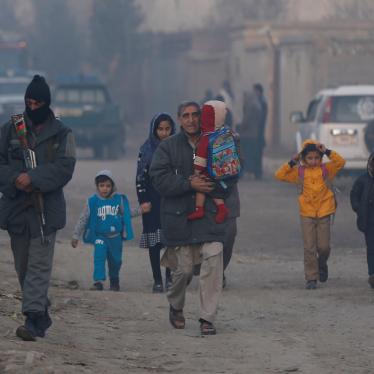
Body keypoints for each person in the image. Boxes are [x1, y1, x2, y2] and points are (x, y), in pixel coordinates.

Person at [0, 75, 76, 341]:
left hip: (46, 210)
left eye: (37, 102)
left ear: (46, 103)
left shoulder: (62, 133)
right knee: (23, 267)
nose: (32, 107)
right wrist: (15, 179)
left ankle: (32, 320)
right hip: (16, 210)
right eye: (28, 102)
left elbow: (65, 168)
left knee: (39, 267)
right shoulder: (11, 129)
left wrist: (34, 178)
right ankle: (40, 312)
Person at [150, 100, 235, 335]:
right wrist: (188, 183)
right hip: (180, 218)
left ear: (201, 117)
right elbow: (158, 178)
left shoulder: (217, 140)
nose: (191, 120)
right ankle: (176, 306)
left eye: (195, 115)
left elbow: (234, 170)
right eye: (185, 115)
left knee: (213, 262)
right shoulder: (168, 147)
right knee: (184, 271)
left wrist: (214, 186)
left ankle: (207, 318)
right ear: (179, 119)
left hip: (209, 216)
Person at [275, 140, 345, 289]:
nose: (313, 161)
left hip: (324, 212)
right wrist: (291, 162)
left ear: (321, 158)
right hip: (306, 213)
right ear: (303, 159)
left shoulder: (327, 169)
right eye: (310, 158)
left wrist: (327, 151)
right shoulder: (299, 172)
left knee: (324, 247)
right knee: (309, 247)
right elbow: (279, 175)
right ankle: (311, 278)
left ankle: (322, 263)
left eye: (316, 158)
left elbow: (341, 162)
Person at [71, 170, 148, 291]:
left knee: (115, 261)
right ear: (97, 187)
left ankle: (114, 280)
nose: (105, 189)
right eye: (101, 186)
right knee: (99, 258)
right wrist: (76, 235)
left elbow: (127, 214)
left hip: (115, 238)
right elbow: (83, 218)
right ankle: (98, 282)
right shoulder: (92, 201)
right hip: (100, 237)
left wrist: (141, 210)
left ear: (113, 186)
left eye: (108, 186)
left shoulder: (118, 200)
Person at [136, 113, 175, 293]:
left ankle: (169, 277)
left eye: (168, 129)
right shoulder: (146, 150)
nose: (164, 133)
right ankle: (157, 280)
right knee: (154, 243)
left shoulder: (177, 149)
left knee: (170, 243)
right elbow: (140, 179)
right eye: (160, 129)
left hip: (171, 201)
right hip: (152, 202)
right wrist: (143, 200)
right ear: (154, 130)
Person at [187, 100, 240, 223]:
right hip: (225, 172)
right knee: (215, 189)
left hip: (210, 172)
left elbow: (200, 160)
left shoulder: (206, 137)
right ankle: (221, 207)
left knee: (201, 186)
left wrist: (196, 172)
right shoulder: (226, 134)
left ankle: (199, 209)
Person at [350, 153, 374, 288]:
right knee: (371, 249)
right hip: (369, 221)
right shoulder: (363, 180)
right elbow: (354, 195)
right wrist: (358, 208)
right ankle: (372, 274)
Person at [240, 89, 263, 179]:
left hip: (247, 135)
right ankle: (252, 172)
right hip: (254, 134)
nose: (244, 99)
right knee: (252, 154)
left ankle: (247, 172)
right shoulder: (257, 106)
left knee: (246, 155)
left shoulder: (250, 107)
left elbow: (246, 120)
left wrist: (240, 128)